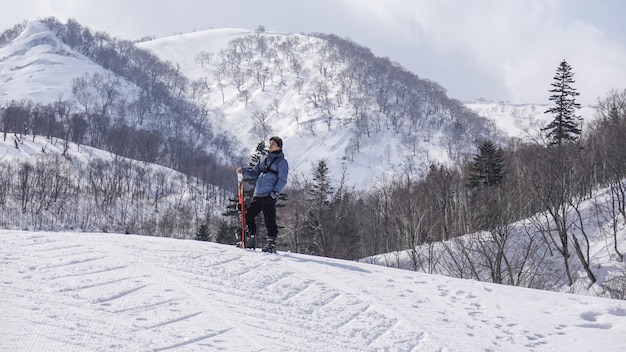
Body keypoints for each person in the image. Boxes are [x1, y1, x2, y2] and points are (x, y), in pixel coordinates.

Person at [236, 136, 289, 253]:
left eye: (273, 144)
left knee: (269, 219)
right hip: (258, 194)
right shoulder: (264, 159)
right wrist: (243, 171)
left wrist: (274, 193)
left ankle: (271, 244)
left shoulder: (282, 162)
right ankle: (251, 237)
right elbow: (254, 173)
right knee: (249, 216)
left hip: (269, 195)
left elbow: (282, 180)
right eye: (270, 143)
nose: (270, 146)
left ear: (279, 147)